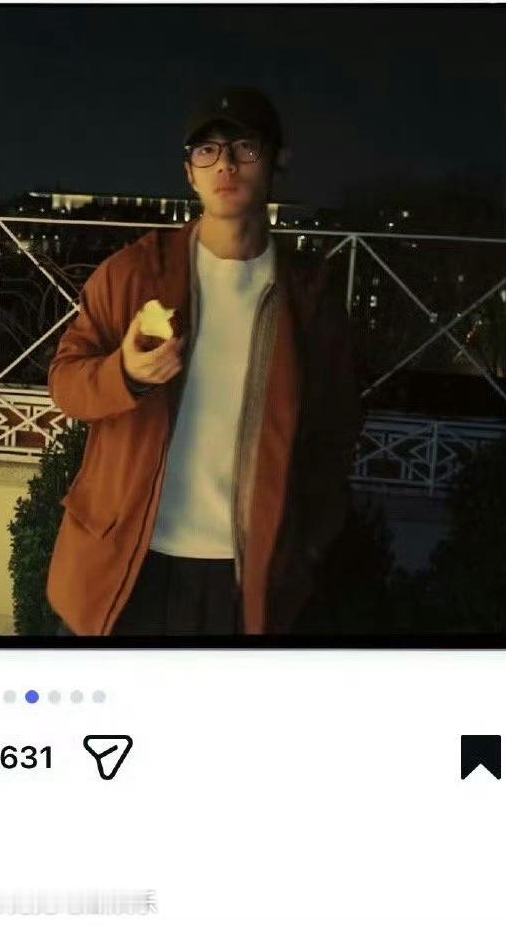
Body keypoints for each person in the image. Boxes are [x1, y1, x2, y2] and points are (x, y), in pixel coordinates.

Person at [46, 86, 362, 637]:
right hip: (126, 565)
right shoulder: (133, 273)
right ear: (189, 172)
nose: (226, 165)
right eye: (207, 150)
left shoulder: (310, 300)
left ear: (277, 162)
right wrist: (125, 375)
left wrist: (306, 544)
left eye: (245, 148)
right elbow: (65, 384)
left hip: (243, 576)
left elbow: (335, 432)